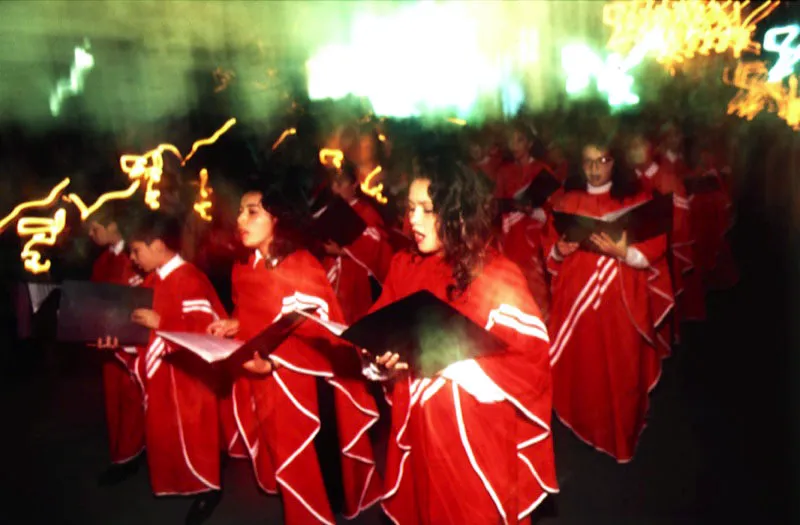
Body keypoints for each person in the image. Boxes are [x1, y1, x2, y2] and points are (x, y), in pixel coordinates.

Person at [365, 153, 558, 524]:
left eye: (426, 209)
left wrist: (451, 360)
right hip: (422, 425)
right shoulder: (403, 265)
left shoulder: (495, 274)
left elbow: (531, 360)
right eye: (410, 208)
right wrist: (379, 360)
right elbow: (380, 329)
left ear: (456, 213)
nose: (412, 219)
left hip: (476, 431)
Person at [206, 179, 382, 524]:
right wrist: (233, 325)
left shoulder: (301, 265)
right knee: (285, 462)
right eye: (240, 211)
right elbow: (252, 316)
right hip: (265, 382)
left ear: (277, 220)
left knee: (310, 465)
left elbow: (323, 332)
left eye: (252, 212)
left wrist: (272, 364)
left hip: (307, 389)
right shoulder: (243, 268)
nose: (240, 219)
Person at [543, 135, 673, 463]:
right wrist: (560, 250)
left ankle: (622, 437)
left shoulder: (638, 199)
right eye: (588, 161)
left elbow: (655, 249)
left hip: (623, 303)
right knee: (586, 368)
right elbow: (549, 251)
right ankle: (589, 426)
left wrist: (625, 253)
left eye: (603, 161)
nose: (595, 169)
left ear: (616, 162)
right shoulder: (565, 201)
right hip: (577, 303)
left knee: (623, 370)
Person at [100, 211, 227, 525]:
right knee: (167, 435)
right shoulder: (152, 280)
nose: (132, 258)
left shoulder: (190, 277)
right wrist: (119, 342)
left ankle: (209, 490)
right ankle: (188, 484)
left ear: (157, 245)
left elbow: (208, 330)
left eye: (136, 250)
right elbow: (140, 332)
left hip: (190, 381)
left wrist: (163, 323)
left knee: (197, 438)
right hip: (164, 378)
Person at [87, 205, 146, 485]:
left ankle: (129, 456)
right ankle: (123, 453)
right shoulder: (102, 261)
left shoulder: (133, 256)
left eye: (95, 227)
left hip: (131, 343)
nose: (91, 233)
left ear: (113, 225)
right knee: (115, 401)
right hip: (109, 342)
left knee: (132, 399)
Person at [626, 130, 700, 339]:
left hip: (661, 255)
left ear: (652, 148)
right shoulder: (626, 182)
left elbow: (680, 221)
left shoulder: (667, 179)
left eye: (639, 145)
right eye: (630, 147)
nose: (634, 151)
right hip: (631, 254)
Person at [494, 121, 559, 321]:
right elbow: (495, 203)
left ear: (529, 143)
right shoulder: (504, 171)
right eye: (511, 141)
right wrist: (512, 207)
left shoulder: (542, 169)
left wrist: (538, 211)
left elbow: (556, 204)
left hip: (535, 239)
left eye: (519, 140)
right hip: (511, 238)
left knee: (537, 284)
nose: (515, 146)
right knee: (513, 281)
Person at [321, 161, 393, 323]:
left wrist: (341, 251)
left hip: (358, 281)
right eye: (334, 184)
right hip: (335, 272)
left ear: (355, 184)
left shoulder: (366, 211)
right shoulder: (332, 210)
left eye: (340, 184)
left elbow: (377, 244)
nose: (336, 189)